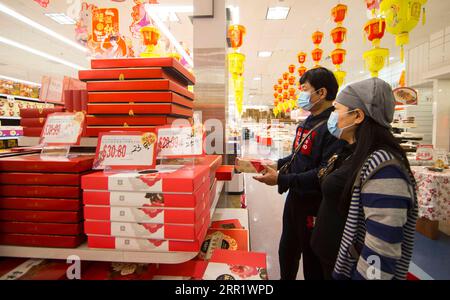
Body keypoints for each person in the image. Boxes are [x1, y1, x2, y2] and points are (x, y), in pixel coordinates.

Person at [311, 77, 418, 280]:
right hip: (332, 264)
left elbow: (382, 248)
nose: (332, 116)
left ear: (357, 115)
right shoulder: (354, 152)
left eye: (337, 109)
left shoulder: (385, 168)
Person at [253, 67, 346, 280]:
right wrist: (276, 164)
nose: (300, 95)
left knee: (312, 260)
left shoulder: (333, 127)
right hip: (294, 198)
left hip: (315, 205)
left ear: (321, 93)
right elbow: (297, 157)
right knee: (287, 250)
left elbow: (323, 173)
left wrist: (281, 179)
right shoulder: (305, 123)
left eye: (304, 89)